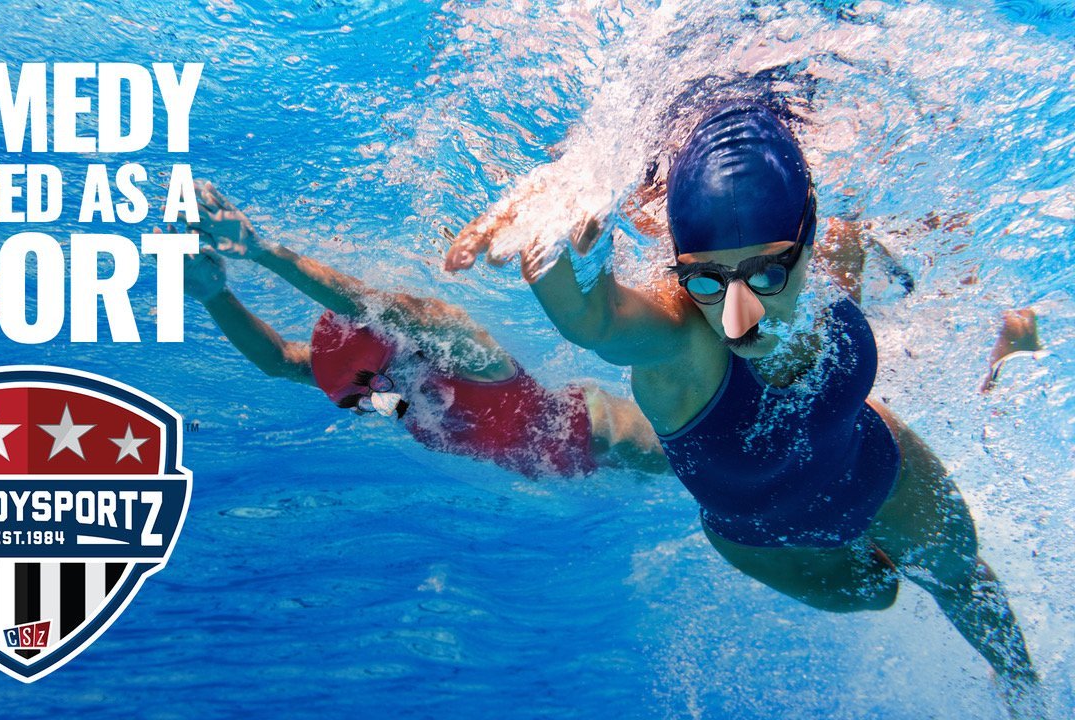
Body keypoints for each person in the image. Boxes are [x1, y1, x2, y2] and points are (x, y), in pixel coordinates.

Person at [445, 102, 1039, 699]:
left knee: (960, 580)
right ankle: (1003, 356)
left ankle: (1028, 700)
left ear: (808, 243)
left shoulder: (835, 253)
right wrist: (559, 213)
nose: (735, 317)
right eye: (704, 279)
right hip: (764, 535)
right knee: (878, 592)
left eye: (767, 276)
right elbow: (595, 319)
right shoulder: (683, 342)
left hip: (877, 467)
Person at [169, 182, 669, 480]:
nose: (372, 405)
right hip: (563, 473)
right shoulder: (377, 390)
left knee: (703, 474)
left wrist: (262, 252)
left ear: (401, 361)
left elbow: (386, 310)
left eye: (373, 390)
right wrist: (214, 295)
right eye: (355, 401)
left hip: (603, 435)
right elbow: (279, 360)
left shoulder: (470, 359)